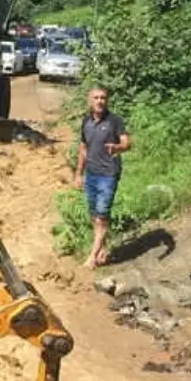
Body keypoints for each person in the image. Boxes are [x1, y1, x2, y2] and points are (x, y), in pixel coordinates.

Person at [73, 86, 130, 269]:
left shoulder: (115, 121)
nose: (100, 101)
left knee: (101, 216)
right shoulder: (86, 122)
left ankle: (93, 256)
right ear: (90, 101)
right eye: (96, 98)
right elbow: (83, 148)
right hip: (91, 173)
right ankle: (102, 248)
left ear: (107, 100)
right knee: (93, 215)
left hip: (109, 174)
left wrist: (118, 148)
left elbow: (127, 143)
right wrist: (78, 174)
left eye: (103, 98)